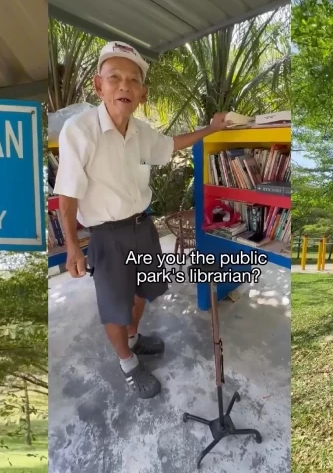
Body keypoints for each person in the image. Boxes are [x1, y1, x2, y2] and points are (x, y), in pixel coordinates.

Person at [53, 41, 232, 399]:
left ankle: (133, 339)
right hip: (107, 236)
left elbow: (171, 145)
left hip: (142, 227)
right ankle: (127, 363)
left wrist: (211, 130)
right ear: (98, 85)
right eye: (114, 77)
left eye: (133, 80)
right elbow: (67, 195)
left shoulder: (140, 132)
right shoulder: (79, 131)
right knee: (114, 307)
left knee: (142, 292)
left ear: (142, 93)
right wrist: (73, 245)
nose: (124, 86)